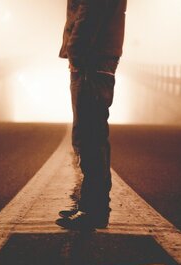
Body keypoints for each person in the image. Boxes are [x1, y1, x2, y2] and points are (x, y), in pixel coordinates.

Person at [56, 0, 127, 231]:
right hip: (95, 57)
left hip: (91, 59)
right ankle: (92, 205)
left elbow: (90, 10)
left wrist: (76, 50)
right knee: (92, 133)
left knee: (89, 135)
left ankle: (93, 210)